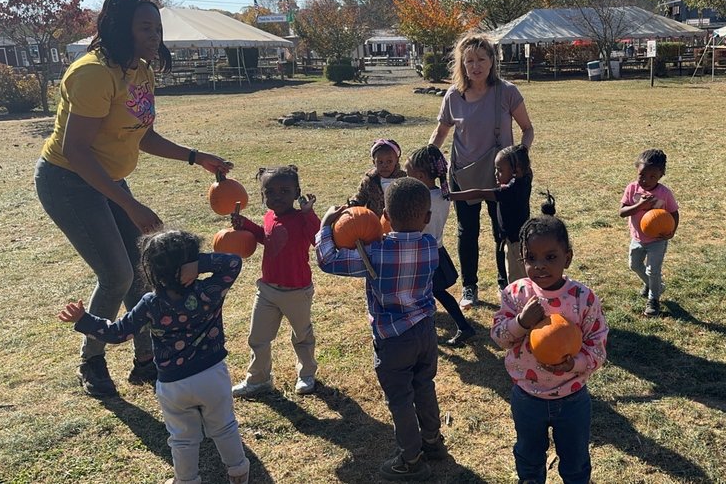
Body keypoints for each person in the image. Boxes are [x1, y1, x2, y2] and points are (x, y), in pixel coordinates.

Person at [34, 0, 233, 397]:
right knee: (117, 274)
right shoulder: (92, 74)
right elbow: (76, 151)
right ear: (119, 28)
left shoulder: (140, 70)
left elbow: (143, 135)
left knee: (143, 271)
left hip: (106, 178)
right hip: (68, 180)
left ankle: (146, 360)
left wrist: (195, 157)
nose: (154, 36)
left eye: (157, 28)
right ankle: (92, 360)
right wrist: (129, 204)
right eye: (145, 28)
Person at [58, 230, 250, 484]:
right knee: (224, 426)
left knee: (182, 438)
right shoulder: (208, 291)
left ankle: (186, 480)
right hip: (212, 375)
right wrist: (198, 264)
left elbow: (117, 333)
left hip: (173, 384)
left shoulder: (151, 303)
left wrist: (85, 320)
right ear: (190, 265)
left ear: (151, 270)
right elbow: (233, 262)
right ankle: (238, 471)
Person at [315, 178, 449, 481]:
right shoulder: (430, 246)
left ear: (385, 215)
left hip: (393, 339)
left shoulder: (374, 254)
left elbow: (328, 260)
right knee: (424, 385)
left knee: (400, 399)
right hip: (426, 332)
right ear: (427, 217)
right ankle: (432, 441)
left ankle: (411, 459)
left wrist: (326, 226)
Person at [490, 205, 608, 484]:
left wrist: (575, 363)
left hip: (572, 397)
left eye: (550, 257)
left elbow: (598, 347)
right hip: (527, 396)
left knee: (576, 458)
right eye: (531, 258)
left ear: (568, 258)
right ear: (521, 258)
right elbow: (499, 337)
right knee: (528, 454)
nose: (540, 265)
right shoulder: (516, 294)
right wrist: (521, 322)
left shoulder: (582, 298)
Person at [429, 33, 534, 310]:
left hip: (501, 175)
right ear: (462, 64)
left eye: (481, 59)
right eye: (469, 61)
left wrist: (521, 154)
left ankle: (505, 284)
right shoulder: (454, 95)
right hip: (463, 173)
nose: (475, 66)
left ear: (492, 61)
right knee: (467, 231)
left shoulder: (507, 92)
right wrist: (428, 155)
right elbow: (441, 131)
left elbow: (527, 129)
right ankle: (469, 286)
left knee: (503, 231)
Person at [230, 166, 321, 397]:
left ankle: (306, 374)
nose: (277, 197)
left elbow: (317, 238)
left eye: (284, 191)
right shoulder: (270, 216)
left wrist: (309, 213)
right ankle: (258, 379)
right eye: (269, 192)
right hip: (267, 288)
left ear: (296, 193)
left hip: (297, 290)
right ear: (262, 194)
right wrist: (246, 225)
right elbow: (267, 238)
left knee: (302, 336)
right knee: (257, 337)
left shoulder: (301, 219)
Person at [404, 144, 476, 346]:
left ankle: (436, 331)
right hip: (436, 250)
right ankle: (462, 327)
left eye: (408, 175)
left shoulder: (422, 199)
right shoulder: (443, 195)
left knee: (425, 296)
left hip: (421, 254)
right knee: (436, 292)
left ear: (420, 176)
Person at [449, 144, 533, 288]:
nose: (495, 174)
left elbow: (480, 193)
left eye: (500, 170)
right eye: (495, 169)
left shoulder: (511, 191)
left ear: (517, 170)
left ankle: (519, 301)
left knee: (517, 282)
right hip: (518, 240)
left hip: (514, 244)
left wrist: (451, 195)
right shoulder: (525, 179)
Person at [618, 149, 680, 317]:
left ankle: (654, 299)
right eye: (642, 175)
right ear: (637, 171)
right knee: (634, 265)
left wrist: (672, 231)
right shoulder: (632, 189)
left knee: (653, 271)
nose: (646, 180)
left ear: (661, 175)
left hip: (657, 240)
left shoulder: (664, 193)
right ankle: (654, 285)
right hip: (637, 238)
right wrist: (640, 206)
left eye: (653, 176)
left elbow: (674, 213)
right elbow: (622, 212)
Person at [349, 138, 406, 217]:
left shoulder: (403, 179)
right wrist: (353, 203)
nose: (385, 165)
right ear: (374, 162)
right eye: (380, 162)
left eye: (389, 161)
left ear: (396, 160)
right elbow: (360, 196)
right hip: (374, 220)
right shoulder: (370, 180)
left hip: (399, 219)